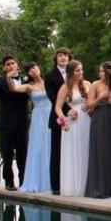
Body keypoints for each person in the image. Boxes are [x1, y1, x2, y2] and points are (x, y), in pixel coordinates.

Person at [3, 62, 51, 193]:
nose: (33, 71)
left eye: (34, 68)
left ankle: (53, 180)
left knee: (51, 146)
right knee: (39, 147)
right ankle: (38, 180)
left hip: (50, 114)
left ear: (39, 68)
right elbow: (14, 89)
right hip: (39, 117)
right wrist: (8, 77)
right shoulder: (29, 86)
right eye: (30, 71)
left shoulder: (49, 81)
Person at [0, 56, 30, 190]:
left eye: (13, 63)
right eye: (7, 64)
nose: (11, 66)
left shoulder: (25, 80)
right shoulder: (0, 81)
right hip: (6, 123)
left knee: (23, 154)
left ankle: (24, 180)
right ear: (4, 68)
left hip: (22, 123)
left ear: (17, 65)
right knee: (7, 154)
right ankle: (9, 182)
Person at [85, 62, 111, 198]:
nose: (101, 74)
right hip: (100, 116)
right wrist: (101, 97)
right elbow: (89, 105)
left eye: (103, 71)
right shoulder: (95, 85)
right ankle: (100, 188)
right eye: (100, 71)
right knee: (101, 150)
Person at [55, 60, 91, 197]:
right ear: (71, 72)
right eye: (77, 71)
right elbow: (57, 108)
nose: (81, 73)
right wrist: (63, 121)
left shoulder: (87, 84)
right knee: (73, 152)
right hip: (73, 122)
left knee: (85, 150)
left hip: (86, 120)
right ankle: (73, 186)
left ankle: (87, 185)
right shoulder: (65, 88)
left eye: (81, 70)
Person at [44, 47, 72, 195]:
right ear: (56, 59)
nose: (63, 58)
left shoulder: (74, 73)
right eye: (60, 56)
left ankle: (71, 182)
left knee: (72, 152)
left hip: (76, 118)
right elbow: (54, 99)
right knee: (57, 153)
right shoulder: (49, 76)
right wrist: (69, 110)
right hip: (58, 117)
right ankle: (56, 185)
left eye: (65, 55)